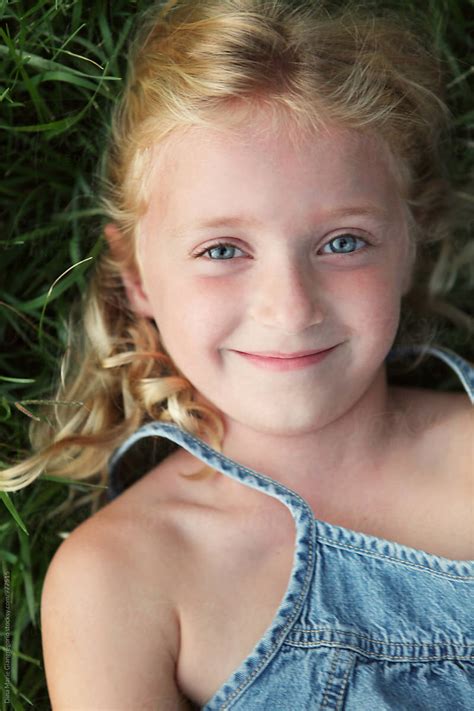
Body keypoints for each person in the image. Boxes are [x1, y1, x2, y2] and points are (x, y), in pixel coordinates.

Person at [3, 0, 473, 708]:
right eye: (223, 250)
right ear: (135, 275)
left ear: (410, 241)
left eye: (343, 241)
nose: (289, 307)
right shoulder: (122, 578)